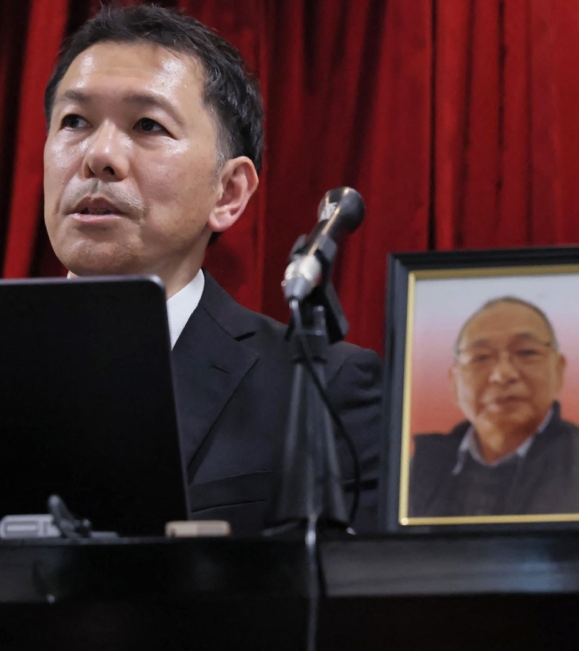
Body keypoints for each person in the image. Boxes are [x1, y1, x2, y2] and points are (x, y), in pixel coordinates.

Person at [42, 5, 381, 534]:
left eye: (147, 124)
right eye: (75, 121)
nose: (99, 155)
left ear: (228, 192)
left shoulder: (322, 391)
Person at [409, 297, 579, 518]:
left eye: (526, 352)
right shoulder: (417, 473)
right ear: (454, 381)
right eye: (480, 357)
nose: (502, 375)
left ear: (558, 370)